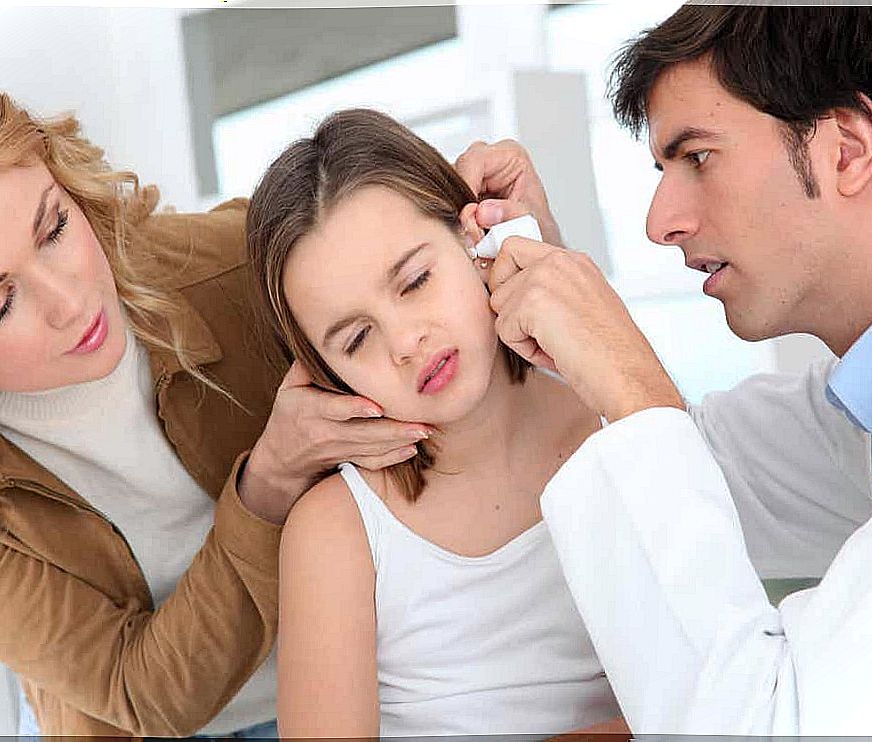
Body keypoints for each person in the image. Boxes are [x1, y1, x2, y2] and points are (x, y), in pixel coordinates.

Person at [452, 4, 872, 735]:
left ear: (847, 148)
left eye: (698, 157)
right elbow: (694, 464)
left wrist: (629, 387)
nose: (661, 223)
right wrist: (550, 280)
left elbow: (768, 725)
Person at [0, 66, 433, 738]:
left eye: (54, 229)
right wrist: (267, 484)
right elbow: (145, 695)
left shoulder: (233, 266)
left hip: (379, 669)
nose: (71, 302)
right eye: (1, 305)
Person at [246, 108, 623, 737]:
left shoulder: (619, 421)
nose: (405, 342)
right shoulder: (337, 533)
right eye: (357, 338)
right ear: (327, 378)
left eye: (415, 280)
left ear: (475, 239)